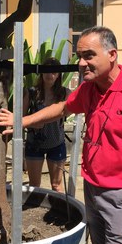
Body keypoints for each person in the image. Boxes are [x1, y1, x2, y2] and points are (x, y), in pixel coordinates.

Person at [0, 26, 122, 244]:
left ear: (112, 55)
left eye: (89, 56)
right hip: (92, 189)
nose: (81, 63)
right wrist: (21, 121)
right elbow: (62, 108)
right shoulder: (89, 89)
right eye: (79, 57)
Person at [23, 57, 71, 192]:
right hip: (35, 144)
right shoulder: (31, 93)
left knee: (57, 185)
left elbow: (72, 110)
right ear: (41, 73)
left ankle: (60, 211)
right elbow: (20, 118)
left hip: (56, 143)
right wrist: (32, 124)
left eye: (54, 72)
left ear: (59, 75)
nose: (50, 75)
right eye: (47, 71)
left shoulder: (65, 93)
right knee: (34, 185)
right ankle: (33, 211)